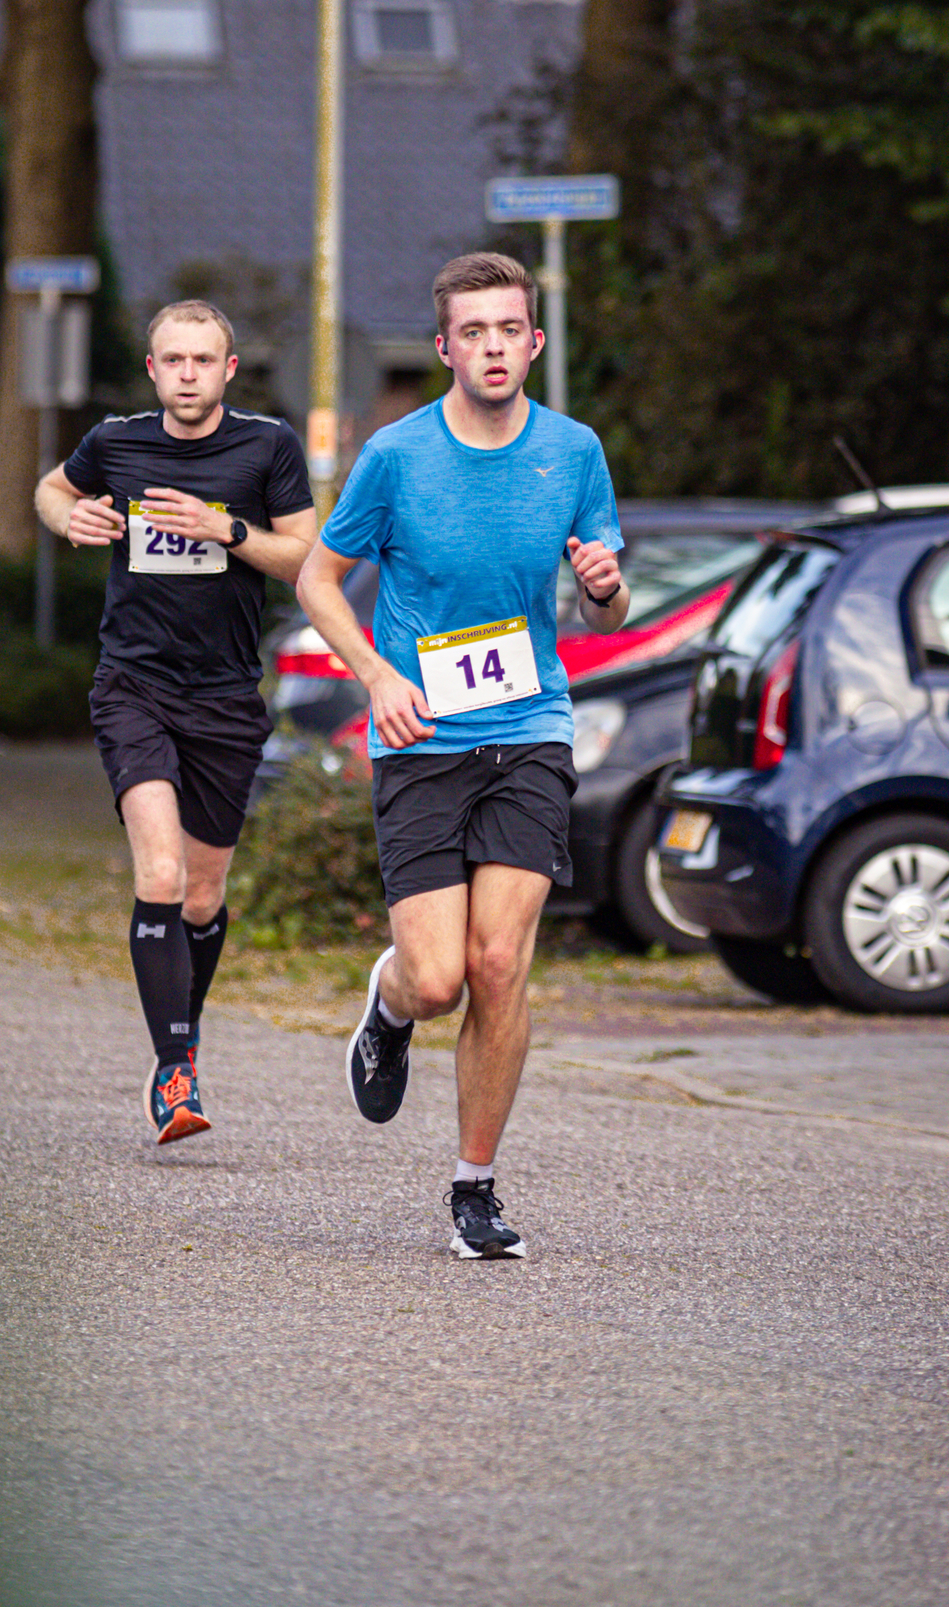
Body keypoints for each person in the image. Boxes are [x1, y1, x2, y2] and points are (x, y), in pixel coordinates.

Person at [295, 250, 629, 1259]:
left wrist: (604, 586)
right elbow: (316, 579)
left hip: (529, 727)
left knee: (497, 964)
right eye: (472, 333)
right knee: (438, 979)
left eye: (508, 331)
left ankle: (474, 1187)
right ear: (444, 347)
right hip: (421, 738)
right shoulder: (396, 458)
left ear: (534, 342)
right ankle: (390, 1004)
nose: (493, 348)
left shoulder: (572, 452)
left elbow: (607, 609)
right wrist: (376, 677)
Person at [37, 300, 316, 1144]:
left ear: (228, 370)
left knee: (202, 892)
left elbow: (306, 555)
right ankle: (175, 1069)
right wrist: (69, 516)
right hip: (134, 686)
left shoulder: (268, 446)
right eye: (173, 360)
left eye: (202, 360)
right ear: (152, 368)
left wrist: (224, 528)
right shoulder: (116, 441)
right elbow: (52, 488)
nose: (187, 374)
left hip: (226, 697)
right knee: (159, 872)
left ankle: (178, 1041)